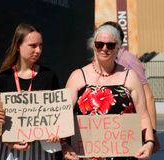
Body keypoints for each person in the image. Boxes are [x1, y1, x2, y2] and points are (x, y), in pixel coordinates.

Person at [0, 23, 77, 160]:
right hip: (10, 152)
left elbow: (58, 115)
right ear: (18, 46)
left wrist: (58, 135)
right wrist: (6, 138)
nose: (38, 50)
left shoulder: (48, 76)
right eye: (33, 46)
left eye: (40, 45)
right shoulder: (1, 78)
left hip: (43, 151)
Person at [66, 23, 155, 159]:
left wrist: (149, 141)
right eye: (99, 44)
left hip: (124, 155)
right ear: (93, 46)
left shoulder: (129, 76)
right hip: (86, 155)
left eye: (110, 45)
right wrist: (64, 146)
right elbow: (64, 116)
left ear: (118, 47)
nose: (104, 48)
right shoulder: (78, 76)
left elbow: (143, 116)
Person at [101, 21, 160, 153]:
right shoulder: (106, 61)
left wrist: (152, 134)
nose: (104, 46)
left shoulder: (128, 60)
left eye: (109, 42)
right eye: (99, 43)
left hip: (129, 132)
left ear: (117, 41)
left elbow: (148, 97)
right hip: (109, 136)